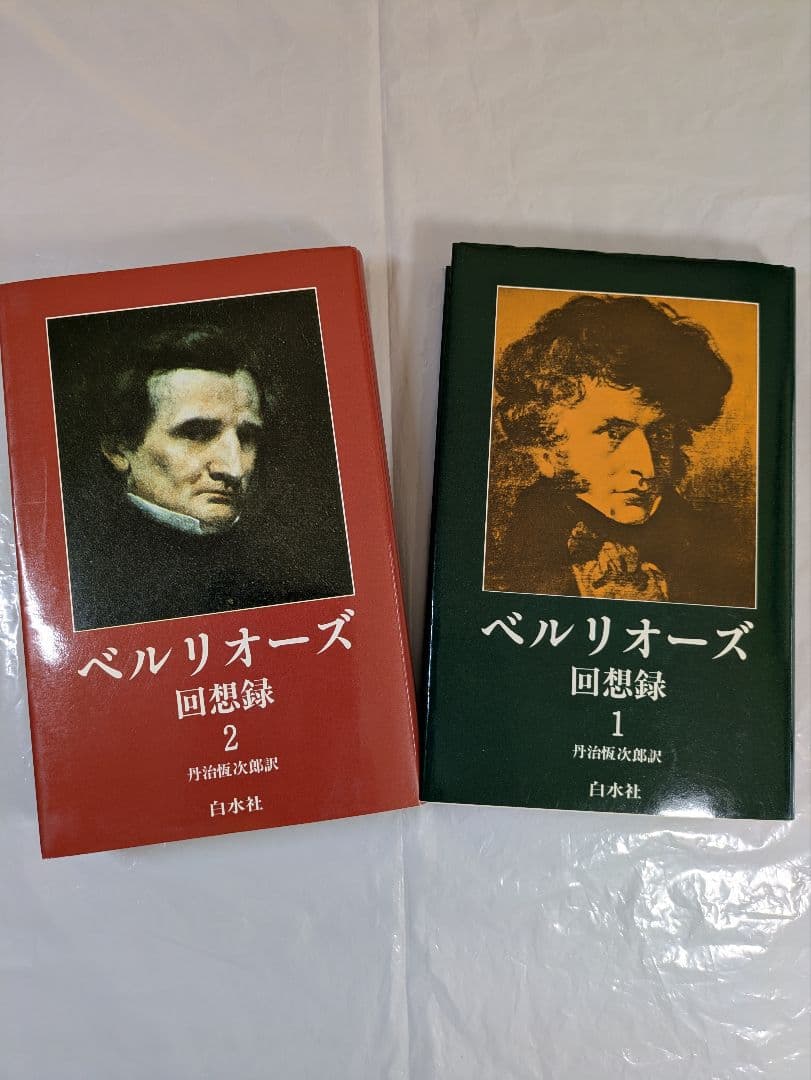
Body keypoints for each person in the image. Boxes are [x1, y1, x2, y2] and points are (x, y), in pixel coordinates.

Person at [489, 294, 754, 606]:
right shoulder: (522, 546)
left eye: (660, 434)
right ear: (547, 450)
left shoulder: (715, 548)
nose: (648, 469)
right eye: (613, 434)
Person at [67, 325, 309, 629]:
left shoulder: (280, 575)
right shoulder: (85, 576)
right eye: (196, 433)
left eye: (247, 437)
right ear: (119, 449)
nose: (233, 468)